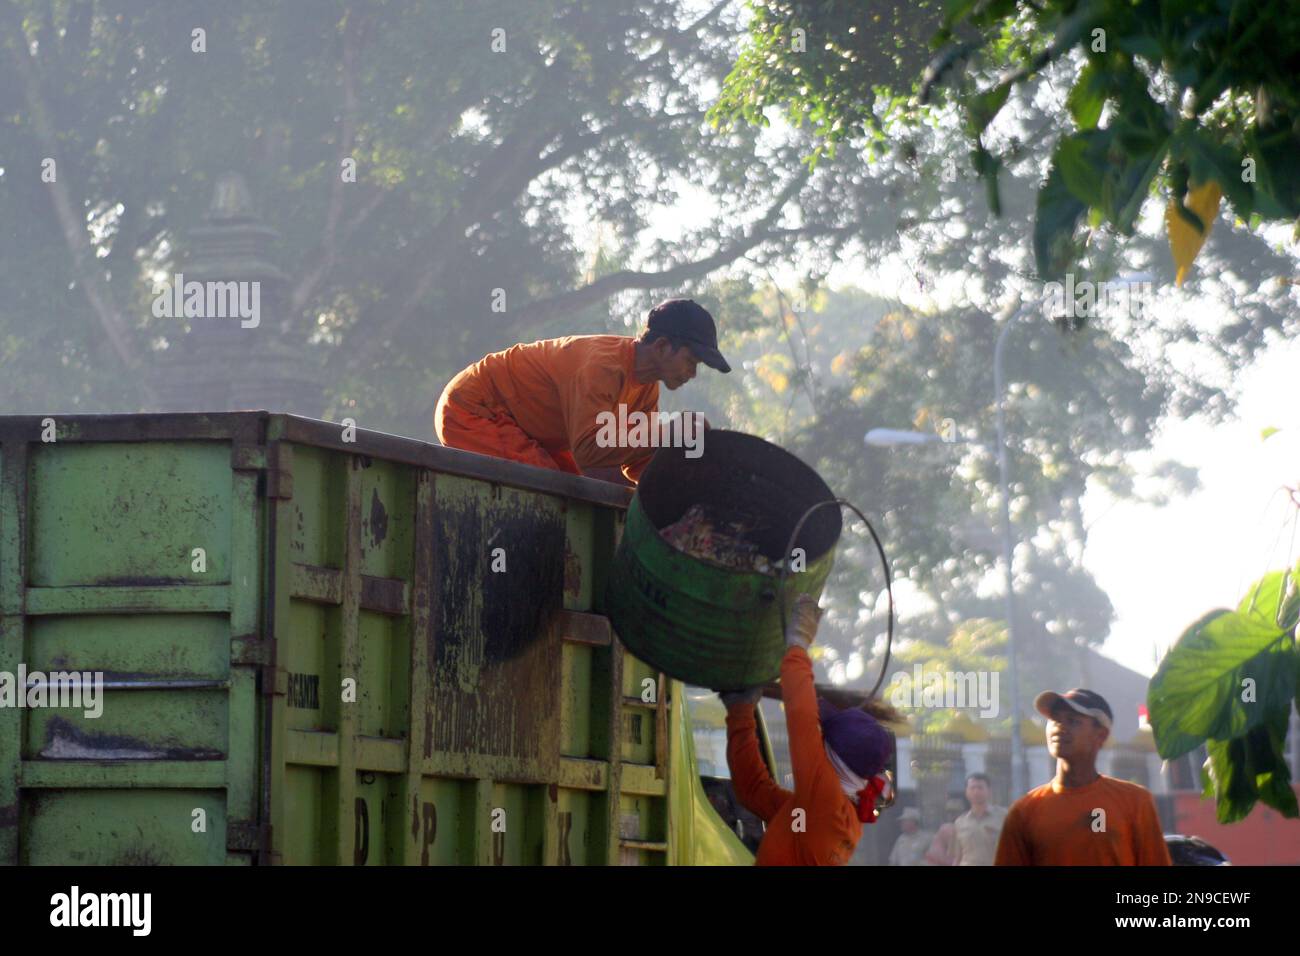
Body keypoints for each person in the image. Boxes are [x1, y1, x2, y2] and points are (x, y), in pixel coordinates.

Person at [434, 298, 728, 482]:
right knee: (550, 488)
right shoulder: (601, 367)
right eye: (691, 361)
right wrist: (669, 431)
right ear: (662, 346)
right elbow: (589, 451)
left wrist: (685, 483)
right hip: (474, 409)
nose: (693, 372)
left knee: (575, 490)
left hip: (527, 429)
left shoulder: (646, 388)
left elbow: (634, 463)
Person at [719, 595, 897, 866]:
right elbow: (752, 790)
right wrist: (740, 711)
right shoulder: (822, 813)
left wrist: (799, 641)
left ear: (833, 756)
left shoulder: (824, 799)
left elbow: (801, 715)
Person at [994, 688, 1172, 866]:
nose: (1059, 727)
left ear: (1100, 735)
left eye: (1072, 721)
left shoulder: (1135, 802)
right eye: (1055, 719)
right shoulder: (1024, 811)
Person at [952, 772, 1007, 866]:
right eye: (972, 788)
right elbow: (958, 857)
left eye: (980, 788)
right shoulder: (960, 822)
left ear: (989, 791)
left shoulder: (1004, 817)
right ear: (966, 792)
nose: (976, 792)